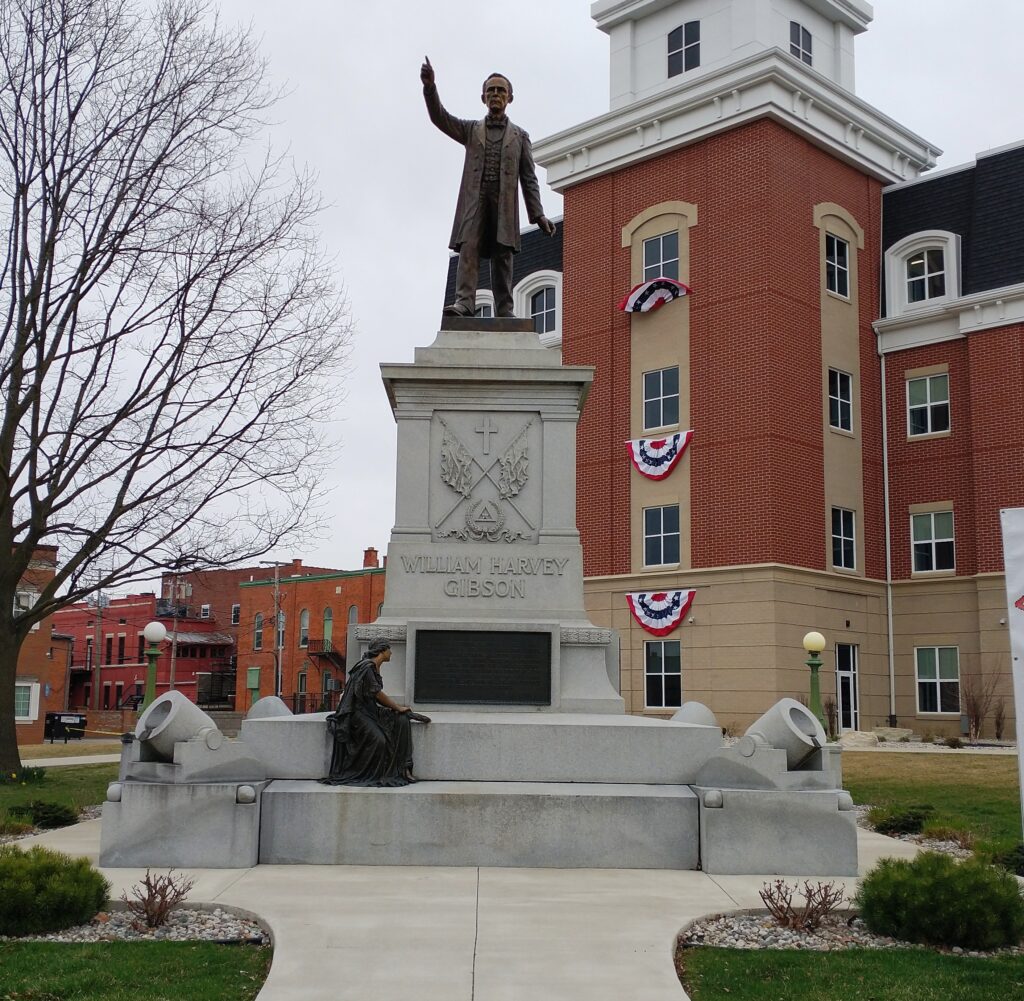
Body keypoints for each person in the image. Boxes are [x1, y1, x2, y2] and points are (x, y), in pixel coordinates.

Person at [421, 56, 556, 318]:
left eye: (501, 91)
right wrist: (430, 88)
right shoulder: (471, 130)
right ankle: (465, 303)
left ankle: (505, 310)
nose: (496, 95)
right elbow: (440, 118)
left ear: (510, 98)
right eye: (491, 91)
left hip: (504, 203)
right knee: (469, 248)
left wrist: (537, 214)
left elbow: (529, 177)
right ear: (483, 97)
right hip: (475, 200)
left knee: (503, 254)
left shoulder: (520, 136)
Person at [322, 640, 427, 786]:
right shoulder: (368, 667)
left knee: (402, 720)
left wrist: (400, 711)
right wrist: (397, 707)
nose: (391, 652)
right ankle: (370, 774)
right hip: (358, 713)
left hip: (369, 710)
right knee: (380, 740)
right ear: (382, 651)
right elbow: (377, 694)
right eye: (389, 649)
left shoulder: (373, 666)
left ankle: (404, 767)